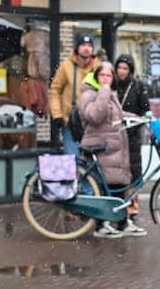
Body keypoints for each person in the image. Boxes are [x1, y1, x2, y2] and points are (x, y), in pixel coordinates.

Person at [78, 64, 142, 238]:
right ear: (96, 77)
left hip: (115, 146)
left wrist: (138, 118)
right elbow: (95, 115)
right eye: (102, 75)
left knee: (119, 185)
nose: (106, 78)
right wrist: (105, 91)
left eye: (109, 76)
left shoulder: (109, 95)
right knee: (104, 187)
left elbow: (116, 115)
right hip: (100, 146)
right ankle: (101, 225)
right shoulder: (89, 94)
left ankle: (122, 222)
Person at [50, 36, 100, 153]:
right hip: (71, 121)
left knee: (92, 161)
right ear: (77, 48)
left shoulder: (98, 67)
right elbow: (55, 90)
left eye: (89, 46)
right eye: (83, 45)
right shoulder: (66, 66)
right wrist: (57, 114)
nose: (86, 49)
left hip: (92, 121)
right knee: (73, 160)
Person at [113, 53, 150, 173]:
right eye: (119, 68)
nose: (121, 71)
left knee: (133, 167)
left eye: (125, 68)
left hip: (132, 133)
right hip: (115, 133)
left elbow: (145, 109)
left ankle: (134, 191)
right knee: (117, 169)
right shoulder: (112, 85)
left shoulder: (138, 86)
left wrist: (136, 124)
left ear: (130, 70)